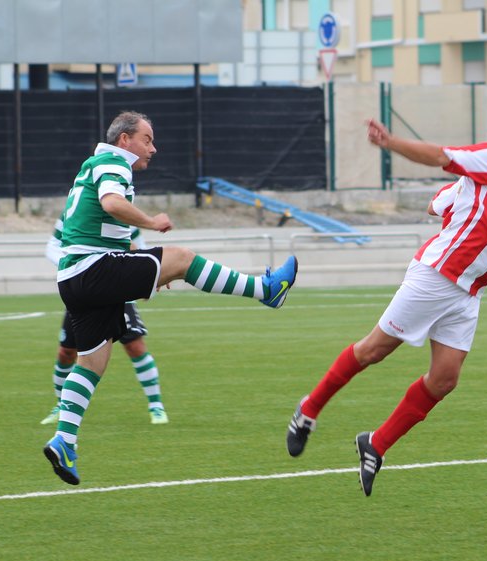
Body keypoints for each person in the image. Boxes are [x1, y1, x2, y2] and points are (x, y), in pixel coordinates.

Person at [286, 107, 487, 497]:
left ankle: (375, 445)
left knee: (444, 379)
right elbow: (442, 156)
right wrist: (391, 143)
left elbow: (435, 204)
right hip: (438, 277)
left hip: (467, 293)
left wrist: (464, 201)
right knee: (373, 350)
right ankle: (308, 410)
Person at [43, 110, 298, 486]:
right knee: (183, 258)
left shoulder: (93, 164)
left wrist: (143, 270)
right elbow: (112, 204)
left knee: (92, 362)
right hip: (92, 268)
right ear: (125, 140)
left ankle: (64, 440)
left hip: (73, 277)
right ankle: (266, 290)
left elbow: (104, 227)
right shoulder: (114, 161)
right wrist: (152, 222)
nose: (153, 148)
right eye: (147, 139)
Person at [41, 218, 169, 426]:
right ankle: (61, 405)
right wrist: (74, 265)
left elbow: (139, 247)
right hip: (85, 287)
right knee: (66, 352)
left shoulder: (123, 212)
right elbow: (52, 247)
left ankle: (156, 406)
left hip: (117, 286)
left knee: (135, 346)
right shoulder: (72, 214)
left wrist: (149, 277)